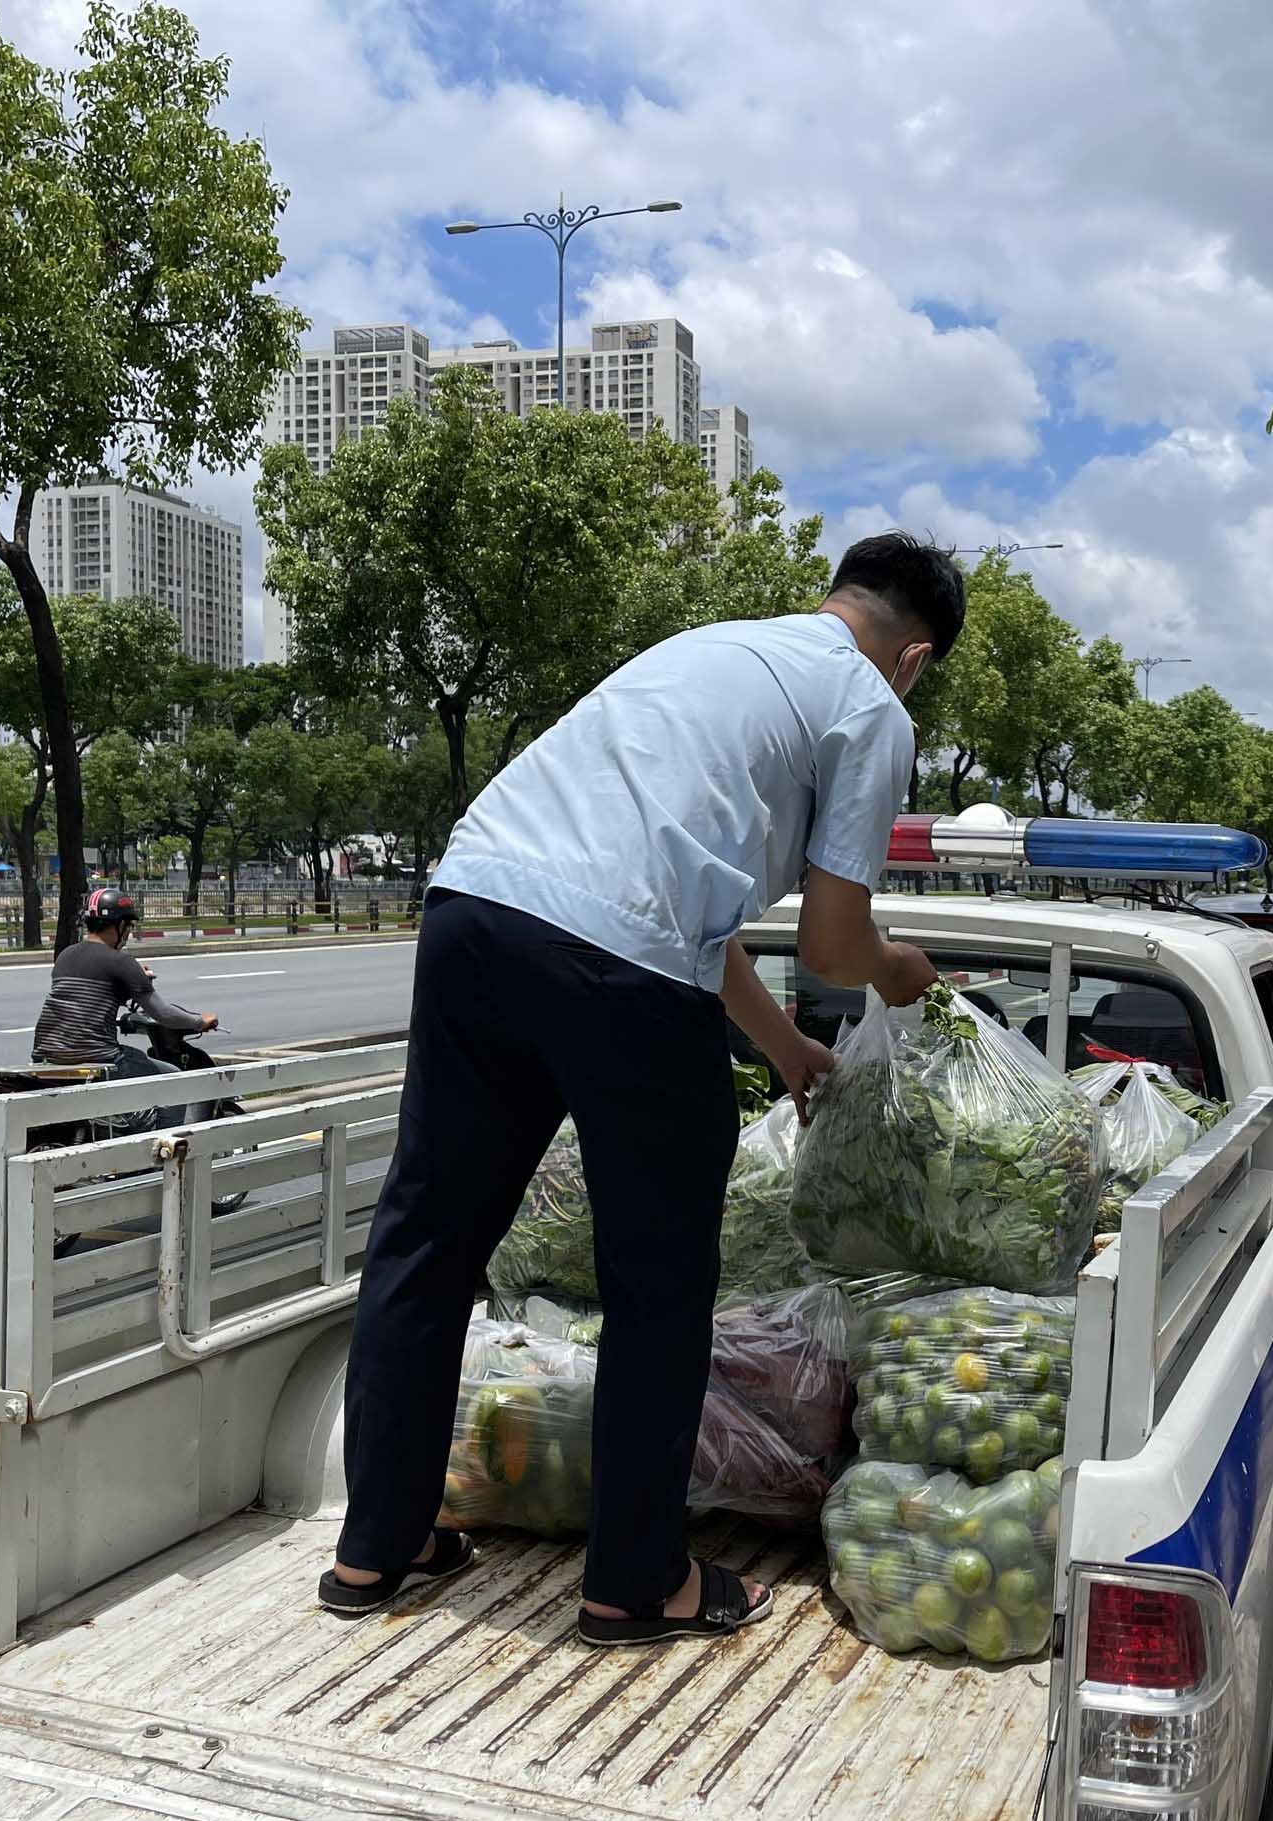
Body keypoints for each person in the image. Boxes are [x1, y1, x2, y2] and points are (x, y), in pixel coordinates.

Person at [321, 533, 964, 1645]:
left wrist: (778, 1048)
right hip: (616, 972)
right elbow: (830, 942)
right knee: (660, 1284)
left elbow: (676, 908)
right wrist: (897, 967)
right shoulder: (872, 708)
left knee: (425, 1242)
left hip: (475, 909)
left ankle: (377, 1549)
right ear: (911, 657)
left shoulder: (716, 651)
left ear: (832, 598)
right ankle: (635, 1582)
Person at [30, 887, 218, 1126]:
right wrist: (200, 1021)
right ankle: (161, 1156)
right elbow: (163, 1014)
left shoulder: (65, 956)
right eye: (128, 926)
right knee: (173, 1080)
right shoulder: (121, 961)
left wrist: (130, 981)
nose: (128, 933)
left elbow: (87, 998)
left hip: (47, 1056)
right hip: (97, 1057)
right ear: (117, 925)